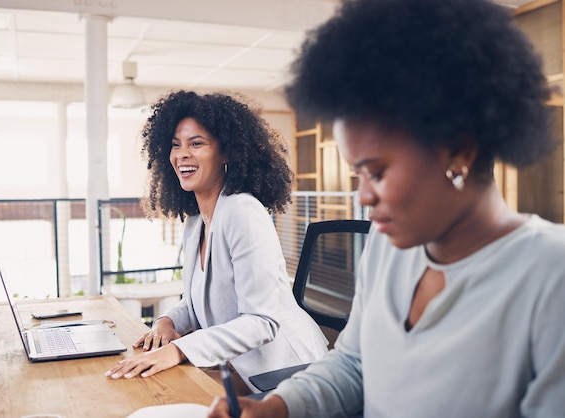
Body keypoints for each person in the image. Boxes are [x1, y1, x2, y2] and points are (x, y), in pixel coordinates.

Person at [208, 0, 565, 416]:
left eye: (375, 172)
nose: (362, 196)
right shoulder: (388, 244)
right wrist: (278, 406)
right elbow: (354, 364)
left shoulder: (550, 277)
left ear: (458, 149)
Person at [104, 90, 328, 393]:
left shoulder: (243, 212)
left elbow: (261, 321)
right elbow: (195, 302)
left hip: (286, 372)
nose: (182, 154)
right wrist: (167, 322)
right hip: (240, 368)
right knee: (147, 391)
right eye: (175, 145)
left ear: (227, 153)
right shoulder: (197, 221)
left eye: (196, 143)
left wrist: (179, 350)